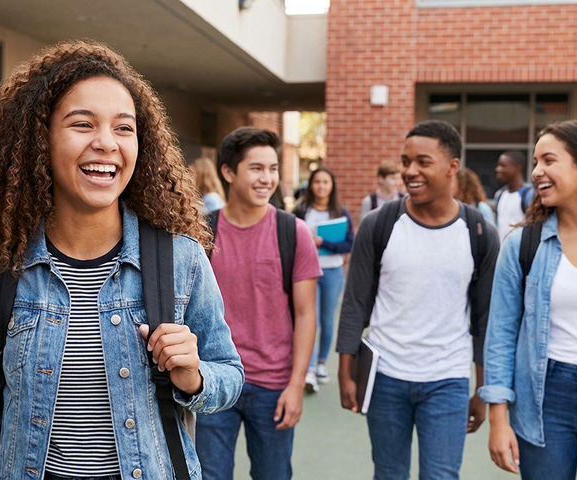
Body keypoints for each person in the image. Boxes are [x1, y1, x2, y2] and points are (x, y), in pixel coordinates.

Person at [0, 40, 244, 480]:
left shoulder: (180, 258)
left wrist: (193, 377)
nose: (106, 143)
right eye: (82, 124)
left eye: (124, 128)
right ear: (40, 138)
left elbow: (229, 375)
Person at [336, 120, 500, 480]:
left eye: (423, 162)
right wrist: (346, 370)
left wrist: (482, 387)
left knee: (441, 476)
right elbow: (355, 302)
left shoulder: (480, 233)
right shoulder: (379, 225)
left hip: (448, 379)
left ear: (451, 167)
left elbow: (485, 319)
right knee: (389, 473)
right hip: (385, 376)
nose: (410, 171)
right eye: (406, 161)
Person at [479, 120, 577, 479]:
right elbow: (501, 333)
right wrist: (498, 418)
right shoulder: (522, 246)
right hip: (544, 397)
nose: (537, 172)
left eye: (549, 161)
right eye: (535, 162)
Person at [195, 127, 322, 480]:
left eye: (273, 168)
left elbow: (306, 313)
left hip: (273, 384)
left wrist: (297, 384)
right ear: (228, 172)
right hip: (213, 380)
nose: (267, 179)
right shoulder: (200, 233)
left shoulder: (293, 232)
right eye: (256, 168)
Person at [293, 167, 354, 393]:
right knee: (311, 320)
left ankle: (321, 364)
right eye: (317, 182)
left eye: (325, 182)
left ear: (332, 186)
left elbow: (348, 244)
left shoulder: (340, 212)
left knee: (327, 320)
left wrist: (323, 242)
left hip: (333, 272)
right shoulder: (301, 211)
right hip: (307, 273)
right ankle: (308, 369)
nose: (320, 186)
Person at [494, 150, 534, 243]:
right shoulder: (499, 195)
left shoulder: (529, 194)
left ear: (517, 168)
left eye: (503, 165)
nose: (498, 169)